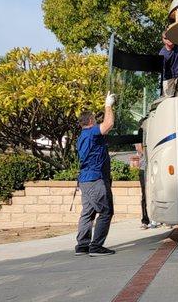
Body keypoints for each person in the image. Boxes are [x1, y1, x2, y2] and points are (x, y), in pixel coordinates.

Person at [75, 92, 115, 257]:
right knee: (106, 212)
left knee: (88, 212)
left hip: (85, 180)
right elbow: (108, 124)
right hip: (95, 179)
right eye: (94, 119)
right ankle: (96, 246)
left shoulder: (81, 137)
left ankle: (83, 246)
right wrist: (108, 105)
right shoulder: (92, 133)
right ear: (90, 121)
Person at [159, 32, 178, 97]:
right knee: (168, 98)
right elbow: (162, 68)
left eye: (170, 37)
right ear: (163, 40)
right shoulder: (162, 54)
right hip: (168, 78)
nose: (169, 40)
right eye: (166, 38)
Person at [135, 143, 150, 229]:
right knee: (144, 195)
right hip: (143, 170)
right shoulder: (141, 134)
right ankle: (145, 220)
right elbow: (139, 150)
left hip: (152, 168)